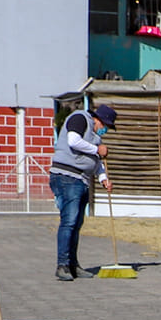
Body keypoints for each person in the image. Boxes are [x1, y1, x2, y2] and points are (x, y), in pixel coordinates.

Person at [48, 101, 117, 280]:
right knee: (69, 221)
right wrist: (97, 149)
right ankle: (62, 265)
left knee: (76, 224)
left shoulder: (96, 137)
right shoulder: (80, 119)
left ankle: (73, 265)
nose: (105, 130)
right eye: (106, 126)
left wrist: (103, 179)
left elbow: (96, 163)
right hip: (66, 176)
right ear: (98, 120)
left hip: (82, 180)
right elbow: (73, 140)